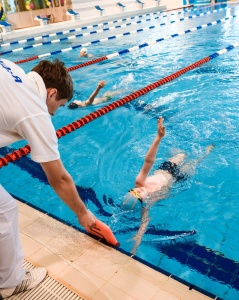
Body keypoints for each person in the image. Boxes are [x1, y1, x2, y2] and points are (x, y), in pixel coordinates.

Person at [0, 58, 117, 299]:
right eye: (60, 105)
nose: (54, 112)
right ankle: (11, 283)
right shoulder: (35, 112)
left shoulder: (11, 67)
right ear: (51, 93)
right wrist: (83, 214)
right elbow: (59, 179)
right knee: (5, 210)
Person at [121, 117, 214, 254]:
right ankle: (207, 151)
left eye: (134, 190)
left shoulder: (139, 182)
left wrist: (158, 138)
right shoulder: (148, 203)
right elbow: (144, 222)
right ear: (143, 201)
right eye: (140, 192)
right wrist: (138, 239)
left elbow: (148, 161)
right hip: (177, 179)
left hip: (166, 169)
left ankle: (183, 141)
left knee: (181, 154)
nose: (140, 188)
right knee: (195, 162)